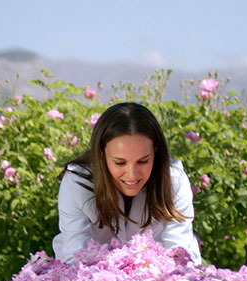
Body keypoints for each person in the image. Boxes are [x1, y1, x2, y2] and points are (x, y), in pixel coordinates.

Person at [52, 102, 201, 264]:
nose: (131, 175)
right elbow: (76, 256)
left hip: (156, 277)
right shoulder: (77, 182)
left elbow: (179, 252)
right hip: (89, 278)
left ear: (156, 151)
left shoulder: (174, 179)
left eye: (143, 161)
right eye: (120, 163)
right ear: (102, 155)